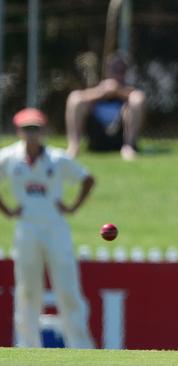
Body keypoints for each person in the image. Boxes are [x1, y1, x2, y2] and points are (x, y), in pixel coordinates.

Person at [0, 108, 95, 348]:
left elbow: (87, 178)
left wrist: (72, 207)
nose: (31, 134)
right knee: (28, 292)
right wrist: (8, 211)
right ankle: (28, 348)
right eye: (27, 129)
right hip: (26, 229)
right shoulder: (9, 157)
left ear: (43, 131)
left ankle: (81, 350)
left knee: (68, 290)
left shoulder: (57, 158)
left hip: (56, 228)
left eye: (36, 129)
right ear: (19, 131)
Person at [65, 53, 146, 161]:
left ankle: (129, 147)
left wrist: (118, 91)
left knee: (137, 98)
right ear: (107, 71)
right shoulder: (97, 90)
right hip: (98, 135)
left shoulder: (130, 92)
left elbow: (139, 99)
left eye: (121, 70)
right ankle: (73, 146)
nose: (117, 73)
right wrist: (100, 92)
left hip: (120, 136)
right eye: (114, 69)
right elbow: (76, 99)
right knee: (74, 97)